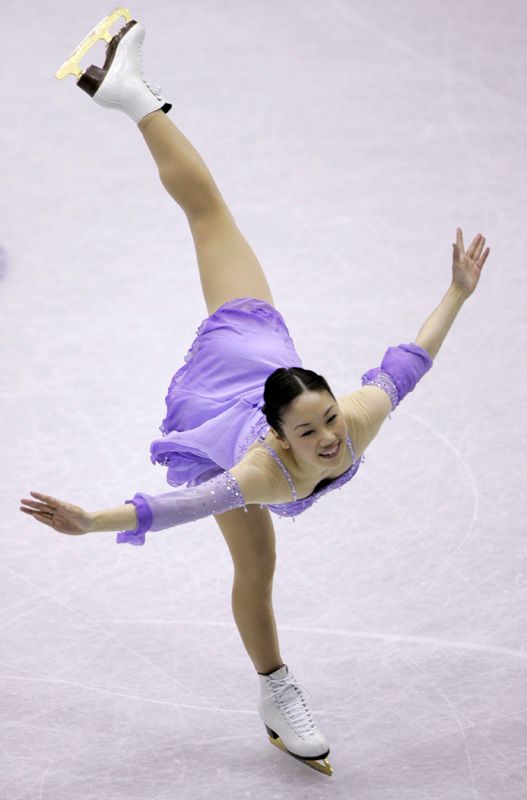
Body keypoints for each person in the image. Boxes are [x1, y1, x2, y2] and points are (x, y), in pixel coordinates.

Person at [19, 9, 490, 777]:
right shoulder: (257, 472)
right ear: (278, 439)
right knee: (257, 564)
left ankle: (128, 93)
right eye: (313, 435)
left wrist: (457, 293)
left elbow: (408, 362)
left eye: (330, 420)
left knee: (211, 214)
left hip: (265, 347)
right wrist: (89, 521)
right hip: (228, 373)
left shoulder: (351, 421)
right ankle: (276, 689)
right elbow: (172, 509)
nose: (332, 440)